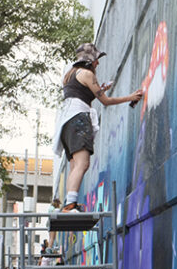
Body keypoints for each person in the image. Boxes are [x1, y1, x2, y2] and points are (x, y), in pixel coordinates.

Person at [53, 42, 143, 212]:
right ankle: (70, 205)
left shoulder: (70, 74)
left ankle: (70, 203)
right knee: (83, 164)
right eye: (96, 59)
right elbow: (106, 101)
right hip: (78, 120)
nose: (98, 63)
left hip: (66, 124)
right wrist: (130, 97)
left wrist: (100, 89)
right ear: (89, 61)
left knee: (75, 165)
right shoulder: (87, 74)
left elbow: (80, 96)